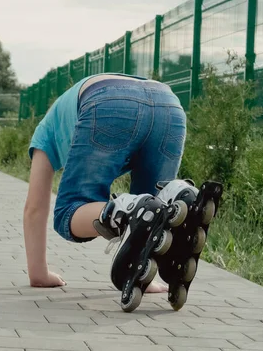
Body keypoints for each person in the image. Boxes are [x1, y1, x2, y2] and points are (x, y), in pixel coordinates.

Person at [23, 72, 188, 295]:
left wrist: (38, 274)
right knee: (153, 211)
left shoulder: (44, 134)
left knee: (67, 213)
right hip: (168, 104)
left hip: (108, 101)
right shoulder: (64, 113)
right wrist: (143, 280)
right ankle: (182, 200)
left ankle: (123, 210)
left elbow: (34, 209)